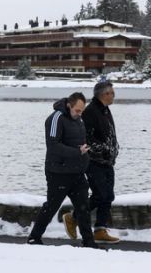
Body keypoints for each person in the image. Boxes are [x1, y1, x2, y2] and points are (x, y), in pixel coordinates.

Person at [26, 93, 98, 247]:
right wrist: (77, 152)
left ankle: (89, 242)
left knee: (83, 207)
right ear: (69, 105)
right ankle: (34, 237)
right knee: (52, 206)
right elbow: (53, 146)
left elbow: (78, 142)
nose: (80, 114)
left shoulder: (78, 119)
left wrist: (85, 155)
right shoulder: (55, 118)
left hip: (77, 172)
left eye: (81, 111)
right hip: (58, 172)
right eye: (77, 110)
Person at [63, 80, 120, 244]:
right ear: (105, 94)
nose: (114, 96)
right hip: (94, 161)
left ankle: (100, 229)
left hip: (107, 161)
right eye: (112, 93)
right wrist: (104, 149)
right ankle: (73, 218)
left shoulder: (105, 110)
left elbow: (109, 134)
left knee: (108, 196)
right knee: (101, 194)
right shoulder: (91, 112)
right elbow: (86, 138)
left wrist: (114, 149)